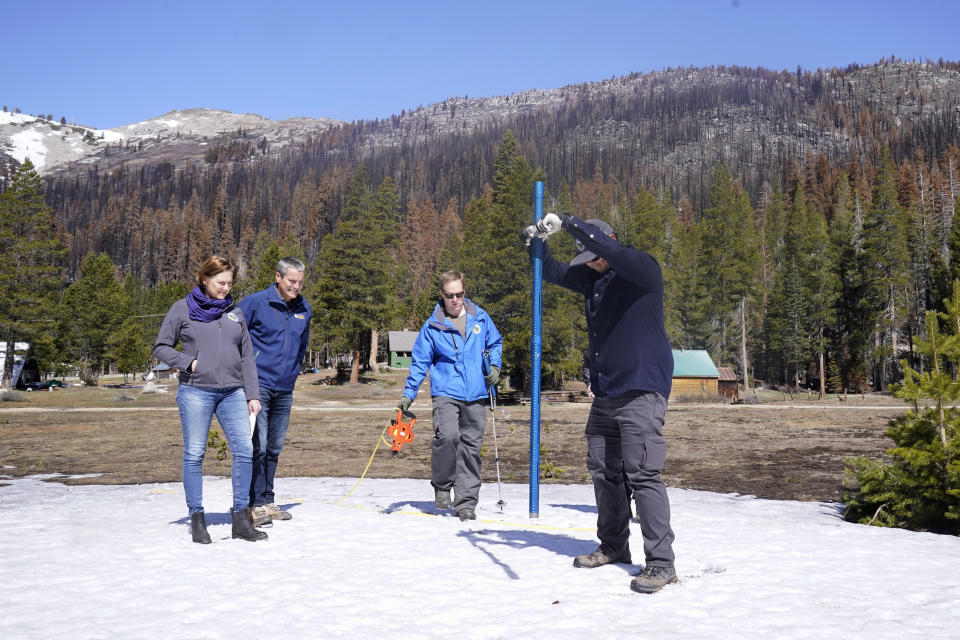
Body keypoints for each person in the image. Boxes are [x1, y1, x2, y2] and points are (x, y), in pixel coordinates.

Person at [522, 214, 677, 594]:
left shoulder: (641, 270)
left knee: (642, 473)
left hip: (642, 387)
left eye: (595, 255)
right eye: (586, 258)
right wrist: (532, 243)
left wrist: (569, 223)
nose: (591, 263)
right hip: (607, 392)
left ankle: (661, 563)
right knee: (604, 470)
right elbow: (551, 272)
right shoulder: (592, 277)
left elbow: (610, 250)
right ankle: (613, 546)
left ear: (608, 241)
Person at [153, 255, 266, 544]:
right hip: (196, 392)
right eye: (220, 282)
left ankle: (240, 518)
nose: (226, 288)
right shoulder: (182, 309)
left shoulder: (235, 314)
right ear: (204, 278)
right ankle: (197, 519)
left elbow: (246, 358)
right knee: (194, 455)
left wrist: (252, 394)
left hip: (232, 393)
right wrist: (187, 361)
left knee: (244, 450)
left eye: (229, 283)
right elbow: (161, 347)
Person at [398, 271, 502, 521]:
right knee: (447, 437)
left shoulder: (480, 318)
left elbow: (495, 343)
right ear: (442, 295)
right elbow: (420, 361)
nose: (456, 299)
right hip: (446, 391)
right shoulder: (432, 326)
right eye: (450, 295)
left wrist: (495, 367)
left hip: (476, 393)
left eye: (460, 294)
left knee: (471, 448)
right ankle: (443, 485)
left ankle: (466, 503)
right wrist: (408, 394)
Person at [238, 257, 312, 526]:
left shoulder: (305, 308)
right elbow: (233, 334)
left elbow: (302, 345)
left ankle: (268, 499)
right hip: (258, 386)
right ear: (278, 278)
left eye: (301, 282)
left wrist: (293, 371)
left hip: (285, 387)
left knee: (275, 447)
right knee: (258, 446)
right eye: (292, 281)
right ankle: (253, 503)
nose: (296, 287)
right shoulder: (256, 303)